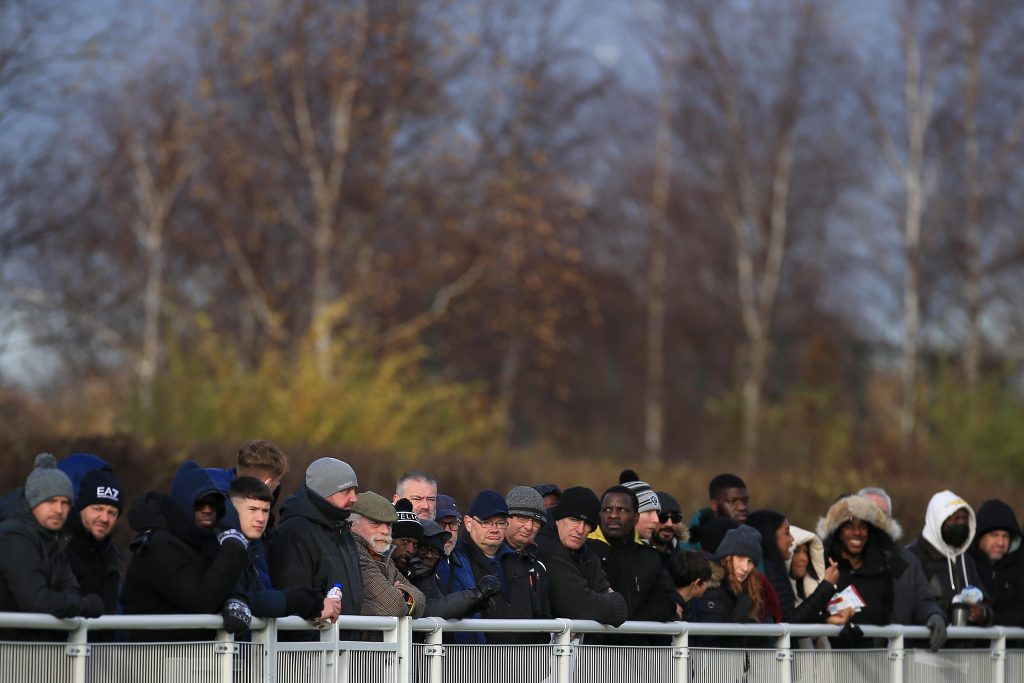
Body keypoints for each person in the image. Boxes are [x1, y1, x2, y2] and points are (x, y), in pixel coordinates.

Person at [120, 460, 250, 641]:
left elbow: (225, 584)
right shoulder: (159, 545)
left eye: (213, 504)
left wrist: (236, 599)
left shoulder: (206, 540)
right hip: (152, 660)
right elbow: (201, 601)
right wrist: (233, 548)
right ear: (183, 504)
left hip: (191, 659)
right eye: (200, 503)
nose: (207, 510)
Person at [817, 494, 946, 651]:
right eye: (850, 524)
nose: (857, 531)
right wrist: (827, 622)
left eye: (881, 514)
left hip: (891, 659)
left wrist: (934, 615)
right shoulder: (822, 560)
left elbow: (922, 599)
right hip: (835, 663)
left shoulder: (899, 561)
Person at [0, 454, 105, 640]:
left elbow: (70, 589)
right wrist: (87, 606)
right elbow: (37, 600)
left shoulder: (52, 537)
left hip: (39, 654)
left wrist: (69, 603)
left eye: (65, 503)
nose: (59, 509)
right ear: (34, 501)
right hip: (12, 655)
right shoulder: (14, 537)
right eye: (51, 501)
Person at [220, 477, 338, 637]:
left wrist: (308, 606)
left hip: (256, 654)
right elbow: (235, 599)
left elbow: (260, 598)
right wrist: (294, 602)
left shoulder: (258, 547)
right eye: (253, 509)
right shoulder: (223, 546)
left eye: (265, 511)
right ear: (233, 509)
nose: (260, 518)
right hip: (222, 655)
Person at [268, 457, 364, 634]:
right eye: (346, 491)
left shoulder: (342, 530)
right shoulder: (295, 532)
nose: (354, 498)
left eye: (355, 490)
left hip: (344, 650)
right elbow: (292, 597)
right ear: (325, 492)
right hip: (310, 653)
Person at [450, 490, 551, 644]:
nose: (494, 529)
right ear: (469, 523)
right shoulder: (454, 560)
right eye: (486, 522)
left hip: (524, 662)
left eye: (501, 522)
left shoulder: (521, 562)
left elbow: (539, 621)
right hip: (470, 661)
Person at [586, 485, 677, 643]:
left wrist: (629, 622)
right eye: (607, 509)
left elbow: (666, 604)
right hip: (594, 653)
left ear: (635, 517)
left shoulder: (649, 557)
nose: (613, 515)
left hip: (638, 654)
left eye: (621, 510)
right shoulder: (586, 552)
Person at [534, 486, 628, 627]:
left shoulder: (588, 555)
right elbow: (577, 604)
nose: (580, 530)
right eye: (573, 519)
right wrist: (617, 604)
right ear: (558, 518)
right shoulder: (544, 547)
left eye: (587, 524)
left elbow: (589, 602)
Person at [906, 491, 993, 627]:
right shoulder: (911, 557)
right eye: (953, 519)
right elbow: (906, 607)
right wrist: (938, 615)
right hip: (927, 646)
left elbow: (987, 603)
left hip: (966, 646)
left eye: (964, 519)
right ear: (937, 520)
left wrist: (981, 613)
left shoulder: (966, 560)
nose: (960, 524)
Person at [747, 509, 840, 624]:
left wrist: (826, 619)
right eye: (786, 533)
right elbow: (791, 621)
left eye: (806, 552)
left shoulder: (767, 567)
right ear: (770, 536)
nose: (791, 539)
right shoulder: (769, 569)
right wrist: (827, 585)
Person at [347, 492, 425, 618]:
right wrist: (404, 594)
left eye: (389, 525)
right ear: (353, 525)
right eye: (375, 523)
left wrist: (401, 596)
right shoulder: (355, 553)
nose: (385, 531)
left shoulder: (385, 558)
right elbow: (393, 607)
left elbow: (421, 601)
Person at [694, 525, 771, 648]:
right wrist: (737, 617)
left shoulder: (746, 590)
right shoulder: (711, 589)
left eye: (750, 561)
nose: (745, 567)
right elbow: (710, 641)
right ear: (727, 558)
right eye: (740, 558)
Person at [62, 467, 124, 615]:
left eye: (112, 513)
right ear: (81, 508)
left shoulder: (109, 551)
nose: (104, 518)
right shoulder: (61, 545)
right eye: (97, 508)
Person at [206, 439, 290, 534]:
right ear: (268, 483)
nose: (278, 485)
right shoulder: (229, 512)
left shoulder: (204, 479)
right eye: (278, 481)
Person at [968, 499, 1024, 626]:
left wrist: (988, 617)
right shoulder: (965, 565)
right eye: (994, 535)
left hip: (1012, 645)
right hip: (972, 645)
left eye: (1005, 536)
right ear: (979, 537)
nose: (1000, 543)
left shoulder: (1020, 568)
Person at [684, 473, 750, 551]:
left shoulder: (756, 543)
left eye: (745, 501)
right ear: (714, 505)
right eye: (732, 501)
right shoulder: (687, 552)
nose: (742, 507)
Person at [617, 470, 661, 541]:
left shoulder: (649, 551)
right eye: (648, 512)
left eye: (656, 512)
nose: (656, 520)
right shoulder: (598, 550)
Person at [667, 550, 712, 620]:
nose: (708, 585)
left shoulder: (662, 600)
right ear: (697, 584)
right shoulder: (671, 611)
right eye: (707, 581)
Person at [650, 491, 688, 565]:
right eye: (662, 517)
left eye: (675, 518)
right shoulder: (636, 557)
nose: (669, 524)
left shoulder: (683, 561)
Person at [504, 485, 546, 552]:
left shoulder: (544, 560)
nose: (529, 527)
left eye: (536, 521)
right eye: (522, 518)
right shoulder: (490, 557)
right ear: (506, 518)